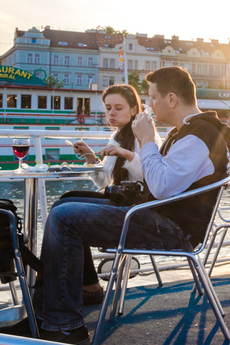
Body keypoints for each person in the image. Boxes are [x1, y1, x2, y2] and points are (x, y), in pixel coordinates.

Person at [0, 66, 230, 345]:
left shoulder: (197, 135)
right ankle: (46, 315)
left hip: (173, 229)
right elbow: (164, 183)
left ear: (171, 99)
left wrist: (146, 139)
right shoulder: (190, 131)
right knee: (66, 204)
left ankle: (64, 326)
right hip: (158, 217)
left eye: (153, 97)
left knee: (63, 217)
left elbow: (162, 186)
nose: (150, 104)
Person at [61, 84, 162, 305]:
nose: (111, 113)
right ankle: (88, 285)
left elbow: (153, 176)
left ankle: (83, 286)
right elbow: (105, 181)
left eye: (118, 108)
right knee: (65, 201)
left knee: (65, 210)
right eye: (108, 108)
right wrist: (89, 156)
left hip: (137, 207)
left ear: (134, 110)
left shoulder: (144, 135)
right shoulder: (116, 136)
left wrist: (125, 154)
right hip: (119, 198)